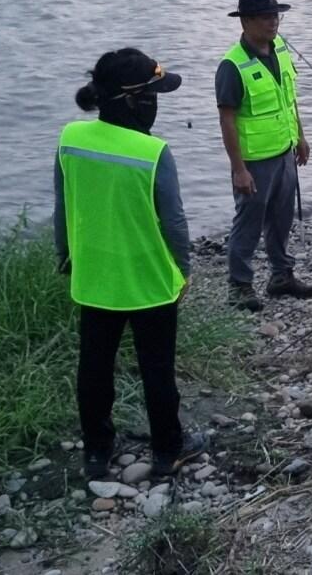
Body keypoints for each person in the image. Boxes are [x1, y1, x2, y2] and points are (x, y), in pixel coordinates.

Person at [54, 48, 206, 478]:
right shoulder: (153, 152)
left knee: (94, 368)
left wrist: (64, 255)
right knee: (157, 368)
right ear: (134, 99)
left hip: (95, 277)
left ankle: (97, 453)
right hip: (149, 280)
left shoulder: (70, 138)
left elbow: (61, 206)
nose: (158, 102)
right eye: (154, 93)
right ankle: (167, 451)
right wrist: (185, 269)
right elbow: (174, 223)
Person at [216, 0, 312, 312]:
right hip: (254, 160)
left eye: (276, 15)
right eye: (265, 17)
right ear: (245, 21)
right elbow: (227, 120)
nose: (273, 22)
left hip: (285, 151)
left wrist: (300, 137)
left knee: (281, 217)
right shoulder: (232, 66)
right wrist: (238, 168)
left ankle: (281, 276)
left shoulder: (282, 50)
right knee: (248, 221)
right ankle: (239, 285)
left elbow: (289, 99)